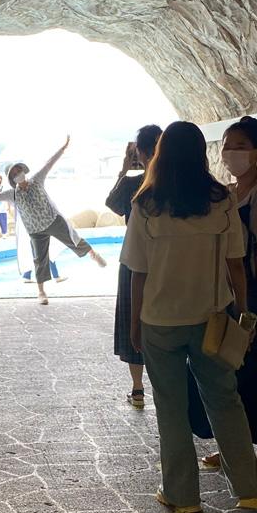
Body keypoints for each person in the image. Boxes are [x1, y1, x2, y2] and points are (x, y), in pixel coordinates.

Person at [121, 120, 257, 513]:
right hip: (210, 317)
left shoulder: (146, 204)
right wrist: (242, 311)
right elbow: (236, 264)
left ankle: (182, 495)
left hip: (160, 320)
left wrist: (134, 323)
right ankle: (249, 489)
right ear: (201, 154)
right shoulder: (220, 200)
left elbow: (137, 273)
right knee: (225, 400)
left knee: (172, 407)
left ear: (161, 155)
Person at [188, 116, 257, 480]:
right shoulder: (227, 192)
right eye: (227, 145)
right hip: (222, 293)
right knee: (223, 374)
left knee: (247, 376)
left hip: (253, 293)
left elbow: (249, 244)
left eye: (240, 146)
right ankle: (234, 446)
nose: (231, 153)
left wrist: (225, 211)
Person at [0, 136, 106, 305]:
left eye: (18, 171)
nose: (18, 174)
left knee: (73, 239)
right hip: (35, 231)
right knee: (39, 259)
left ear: (23, 170)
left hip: (53, 220)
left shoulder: (37, 180)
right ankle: (41, 292)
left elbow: (49, 163)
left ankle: (93, 255)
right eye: (14, 174)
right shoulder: (12, 194)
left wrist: (63, 147)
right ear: (11, 178)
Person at [106, 124, 162, 408]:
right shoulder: (174, 182)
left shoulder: (134, 185)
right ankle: (152, 387)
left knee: (133, 323)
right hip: (165, 261)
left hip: (134, 260)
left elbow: (113, 204)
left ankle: (138, 388)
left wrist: (124, 169)